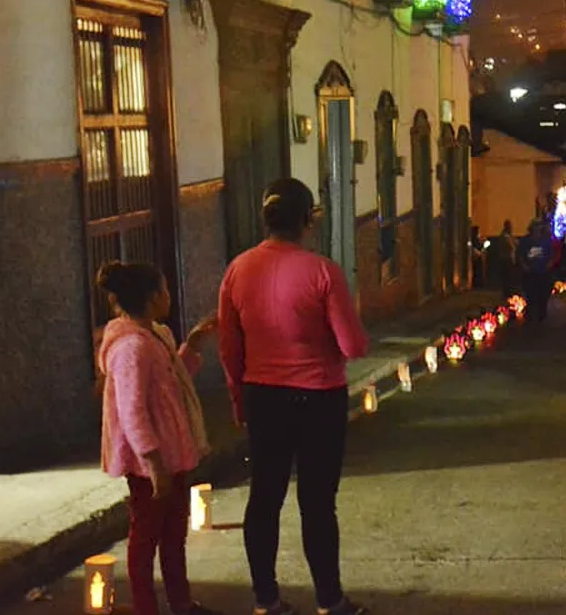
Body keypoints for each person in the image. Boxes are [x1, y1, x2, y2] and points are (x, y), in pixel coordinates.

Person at [219, 178, 370, 615]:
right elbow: (353, 346)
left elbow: (231, 347)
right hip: (319, 399)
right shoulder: (323, 271)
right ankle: (329, 599)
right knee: (318, 503)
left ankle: (266, 599)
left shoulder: (238, 270)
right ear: (308, 220)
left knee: (264, 498)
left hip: (263, 397)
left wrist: (238, 397)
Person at [95, 261, 221, 615]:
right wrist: (153, 464)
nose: (169, 296)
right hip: (150, 465)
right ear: (151, 299)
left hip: (173, 455)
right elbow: (132, 411)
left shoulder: (157, 333)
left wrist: (192, 344)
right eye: (164, 291)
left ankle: (180, 603)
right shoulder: (129, 348)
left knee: (173, 536)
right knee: (145, 540)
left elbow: (173, 381)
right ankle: (146, 607)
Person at [517, 220, 555, 324]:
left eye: (539, 226)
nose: (537, 229)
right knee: (530, 294)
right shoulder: (526, 240)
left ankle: (541, 313)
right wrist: (524, 265)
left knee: (542, 293)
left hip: (542, 271)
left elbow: (551, 254)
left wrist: (549, 264)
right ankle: (531, 314)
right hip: (530, 272)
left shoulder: (546, 240)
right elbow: (520, 253)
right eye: (535, 226)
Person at [499, 220, 519, 294]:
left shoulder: (508, 235)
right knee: (507, 277)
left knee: (508, 276)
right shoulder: (505, 235)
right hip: (506, 258)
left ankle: (508, 291)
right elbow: (511, 245)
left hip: (508, 258)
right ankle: (507, 292)